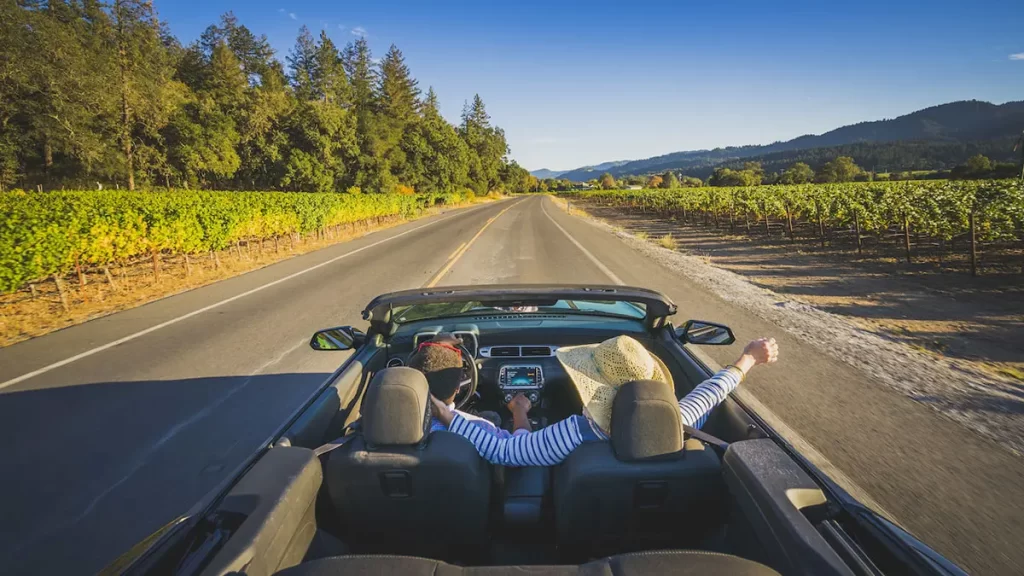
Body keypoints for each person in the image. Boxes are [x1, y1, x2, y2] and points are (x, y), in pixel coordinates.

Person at [431, 334, 778, 466]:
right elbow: (712, 391)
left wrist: (444, 412)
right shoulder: (676, 421)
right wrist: (748, 359)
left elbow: (506, 452)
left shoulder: (575, 432)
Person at [407, 333, 531, 438]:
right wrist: (519, 410)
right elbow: (520, 448)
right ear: (458, 388)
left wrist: (433, 344)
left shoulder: (390, 422)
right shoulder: (479, 428)